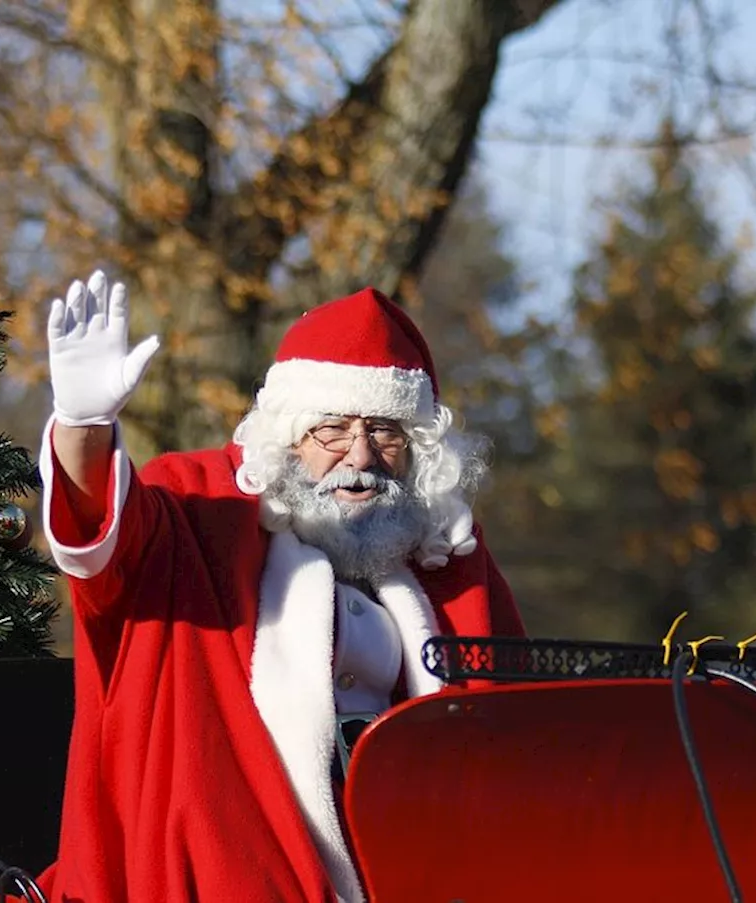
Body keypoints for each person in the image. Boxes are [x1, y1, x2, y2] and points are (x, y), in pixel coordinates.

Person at [37, 270, 525, 903]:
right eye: (332, 429)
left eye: (385, 431)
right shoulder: (202, 515)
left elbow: (520, 734)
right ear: (288, 439)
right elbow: (100, 544)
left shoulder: (448, 562)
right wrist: (83, 426)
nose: (360, 456)